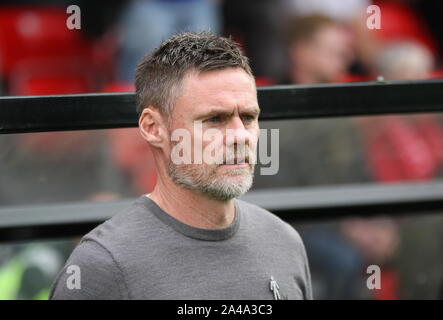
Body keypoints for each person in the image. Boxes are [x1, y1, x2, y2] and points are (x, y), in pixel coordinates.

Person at [49, 32, 313, 300]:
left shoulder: (284, 242)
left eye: (248, 117)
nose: (240, 136)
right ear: (153, 128)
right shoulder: (104, 265)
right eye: (214, 119)